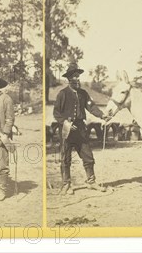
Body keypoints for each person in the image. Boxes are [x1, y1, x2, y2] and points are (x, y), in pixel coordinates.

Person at [54, 63, 108, 195]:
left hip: (80, 130)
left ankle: (91, 182)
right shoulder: (62, 94)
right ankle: (66, 184)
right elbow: (56, 113)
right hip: (66, 131)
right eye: (74, 77)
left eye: (78, 76)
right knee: (65, 158)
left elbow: (91, 107)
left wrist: (102, 115)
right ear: (69, 79)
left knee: (88, 155)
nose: (77, 79)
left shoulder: (83, 94)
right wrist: (66, 123)